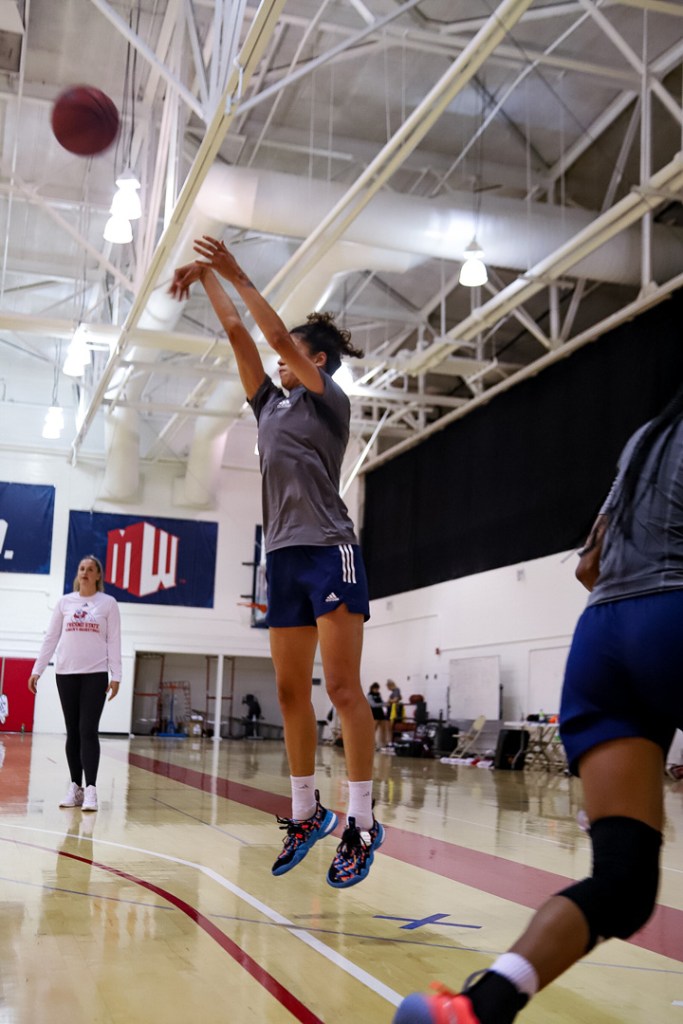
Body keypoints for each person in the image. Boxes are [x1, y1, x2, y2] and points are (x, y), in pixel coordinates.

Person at [393, 383, 683, 1023]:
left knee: (624, 884)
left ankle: (478, 1007)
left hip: (602, 645)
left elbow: (588, 566)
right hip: (672, 617)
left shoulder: (646, 440)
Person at [170, 237, 384, 888]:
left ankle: (363, 822)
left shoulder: (328, 401)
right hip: (284, 556)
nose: (279, 361)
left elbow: (272, 338)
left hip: (330, 552)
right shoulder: (269, 404)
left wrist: (237, 270)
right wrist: (208, 278)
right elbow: (241, 334)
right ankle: (304, 812)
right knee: (291, 692)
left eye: (293, 353)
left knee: (343, 691)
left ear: (315, 360)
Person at [28, 555, 121, 813]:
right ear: (77, 573)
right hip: (66, 673)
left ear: (98, 575)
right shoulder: (64, 603)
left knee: (88, 730)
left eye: (91, 569)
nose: (85, 573)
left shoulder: (108, 604)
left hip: (95, 674)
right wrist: (37, 670)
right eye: (82, 569)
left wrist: (117, 675)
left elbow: (114, 640)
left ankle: (91, 789)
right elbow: (51, 638)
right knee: (73, 731)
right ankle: (75, 787)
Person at [367, 682, 390, 750]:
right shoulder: (369, 695)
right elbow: (373, 705)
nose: (377, 690)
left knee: (383, 729)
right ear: (372, 688)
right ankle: (372, 744)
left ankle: (383, 743)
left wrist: (386, 703)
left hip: (380, 713)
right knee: (373, 729)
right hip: (374, 714)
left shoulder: (378, 694)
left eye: (377, 689)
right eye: (375, 689)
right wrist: (383, 704)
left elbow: (381, 702)